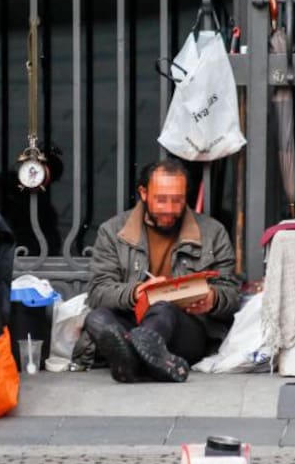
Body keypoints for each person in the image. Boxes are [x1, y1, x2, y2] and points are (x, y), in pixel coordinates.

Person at [79, 158, 239, 382]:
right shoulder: (113, 231)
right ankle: (149, 362)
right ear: (143, 193)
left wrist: (213, 299)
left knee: (162, 307)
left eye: (177, 200)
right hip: (131, 321)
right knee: (96, 318)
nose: (169, 209)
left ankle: (129, 364)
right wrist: (136, 292)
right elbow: (97, 292)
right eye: (161, 200)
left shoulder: (213, 232)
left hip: (185, 330)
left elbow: (232, 293)